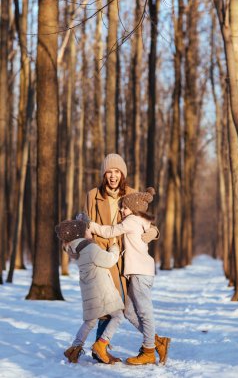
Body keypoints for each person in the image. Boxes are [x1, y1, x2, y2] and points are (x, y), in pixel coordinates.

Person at [83, 153, 159, 362]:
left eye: (117, 172)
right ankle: (100, 349)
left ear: (122, 174)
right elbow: (87, 224)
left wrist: (154, 233)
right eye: (109, 171)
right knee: (107, 302)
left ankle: (154, 341)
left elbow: (147, 224)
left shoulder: (132, 194)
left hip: (127, 260)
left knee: (127, 307)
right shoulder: (92, 195)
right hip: (102, 255)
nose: (113, 176)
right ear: (104, 174)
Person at [87, 187, 171, 365]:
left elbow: (109, 232)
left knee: (144, 313)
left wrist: (91, 225)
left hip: (140, 273)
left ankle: (149, 351)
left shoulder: (131, 220)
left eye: (124, 208)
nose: (121, 210)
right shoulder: (141, 219)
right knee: (129, 312)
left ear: (133, 209)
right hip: (141, 272)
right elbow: (152, 228)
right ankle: (157, 342)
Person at [55, 219, 124, 364]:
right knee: (118, 315)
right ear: (80, 234)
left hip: (89, 292)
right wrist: (115, 247)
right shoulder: (90, 248)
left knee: (90, 321)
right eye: (87, 229)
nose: (90, 231)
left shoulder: (75, 249)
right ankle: (102, 343)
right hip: (101, 291)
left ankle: (74, 349)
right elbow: (109, 260)